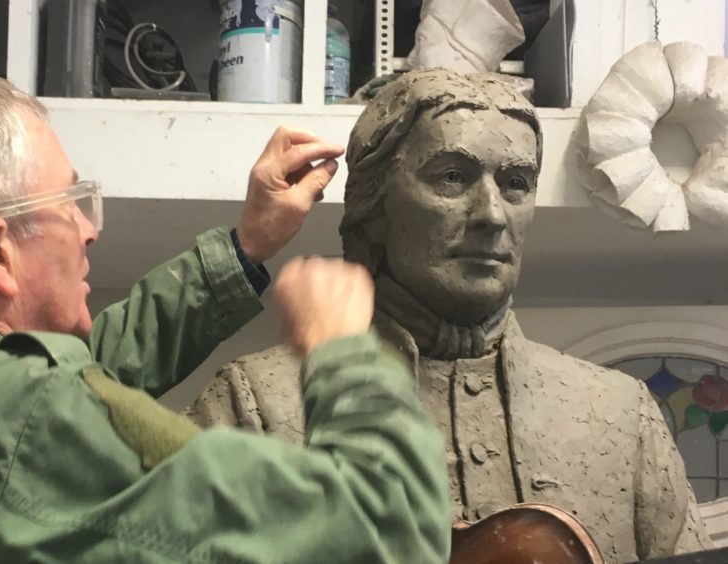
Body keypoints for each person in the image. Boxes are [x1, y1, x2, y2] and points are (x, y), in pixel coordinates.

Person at [0, 69, 451, 563]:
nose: (87, 230)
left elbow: (63, 381)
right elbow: (386, 531)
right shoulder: (27, 416)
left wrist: (245, 248)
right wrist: (345, 358)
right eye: (69, 202)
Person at [185, 68, 713, 563]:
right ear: (373, 210)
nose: (491, 213)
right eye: (452, 177)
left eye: (515, 183)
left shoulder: (621, 417)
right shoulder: (253, 404)